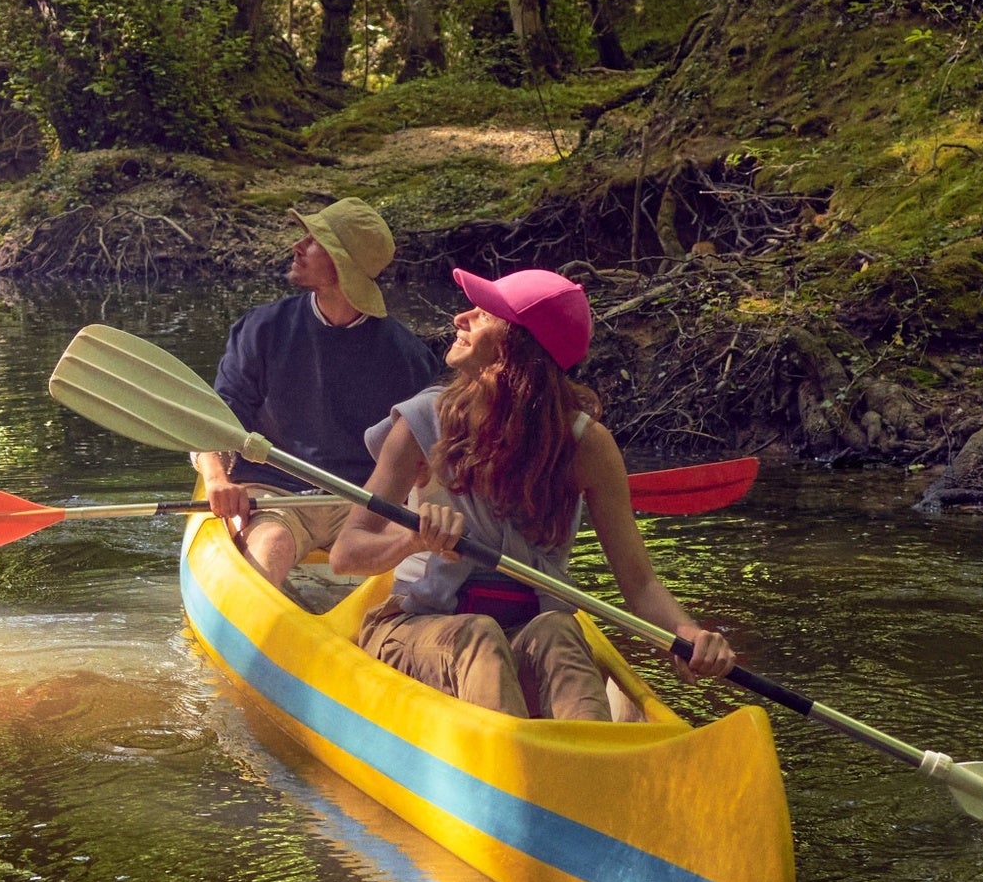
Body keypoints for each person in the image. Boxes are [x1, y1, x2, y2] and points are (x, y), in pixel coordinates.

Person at [327, 265, 740, 720]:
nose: (460, 318)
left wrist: (689, 634)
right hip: (418, 626)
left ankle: (591, 764)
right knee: (479, 636)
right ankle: (511, 767)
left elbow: (640, 585)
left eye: (482, 315)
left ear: (514, 347)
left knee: (559, 632)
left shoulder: (587, 445)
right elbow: (346, 552)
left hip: (527, 631)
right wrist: (413, 540)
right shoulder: (421, 422)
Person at [195, 199, 442, 588]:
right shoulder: (262, 328)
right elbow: (216, 418)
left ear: (343, 264)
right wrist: (215, 480)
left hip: (362, 503)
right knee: (271, 543)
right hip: (275, 493)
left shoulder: (408, 356)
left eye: (315, 240)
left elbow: (422, 461)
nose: (298, 245)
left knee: (417, 560)